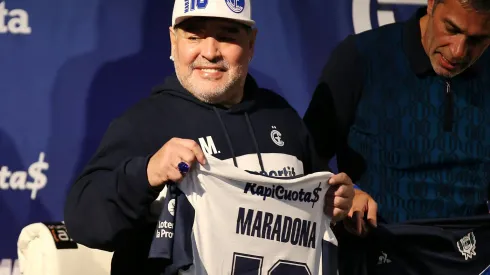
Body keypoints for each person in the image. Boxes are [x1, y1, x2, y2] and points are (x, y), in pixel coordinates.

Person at [63, 0, 354, 274]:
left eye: (226, 36)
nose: (210, 52)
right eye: (194, 37)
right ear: (173, 42)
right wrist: (148, 173)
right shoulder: (144, 122)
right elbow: (84, 223)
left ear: (251, 43)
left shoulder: (281, 117)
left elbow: (322, 207)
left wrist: (342, 204)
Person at [304, 0, 490, 274]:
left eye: (478, 39)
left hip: (473, 260)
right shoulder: (362, 57)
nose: (459, 51)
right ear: (431, 4)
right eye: (451, 28)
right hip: (376, 256)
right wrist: (346, 195)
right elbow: (303, 159)